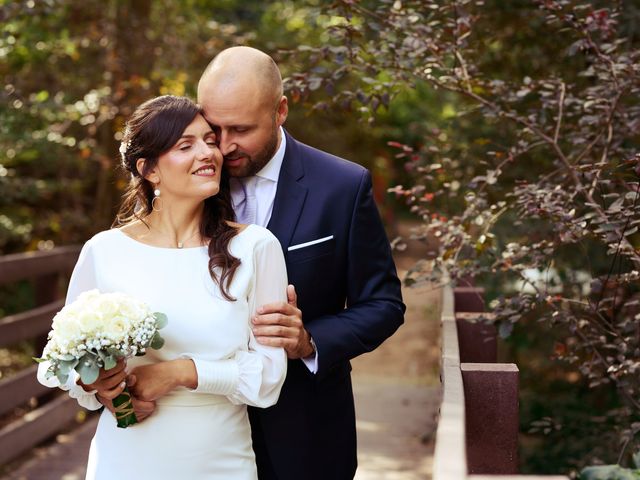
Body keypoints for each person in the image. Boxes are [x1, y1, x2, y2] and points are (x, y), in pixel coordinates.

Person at [37, 95, 288, 480]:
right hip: (125, 457)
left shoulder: (256, 247)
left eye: (209, 140)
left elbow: (269, 378)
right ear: (149, 169)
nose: (208, 153)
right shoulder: (104, 252)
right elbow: (62, 363)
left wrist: (181, 372)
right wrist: (100, 386)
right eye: (186, 145)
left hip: (220, 459)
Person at [197, 47, 405, 480]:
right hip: (204, 430)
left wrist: (309, 340)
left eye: (241, 129)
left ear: (280, 111)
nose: (224, 144)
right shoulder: (187, 181)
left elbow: (383, 304)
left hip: (306, 434)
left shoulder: (343, 186)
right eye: (213, 127)